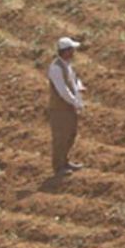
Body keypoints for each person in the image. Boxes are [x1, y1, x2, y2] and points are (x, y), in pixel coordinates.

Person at [47, 37, 86, 176]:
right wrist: (76, 102)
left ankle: (65, 161)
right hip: (59, 109)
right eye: (72, 49)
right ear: (66, 51)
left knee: (71, 134)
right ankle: (58, 166)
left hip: (69, 107)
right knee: (61, 137)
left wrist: (79, 97)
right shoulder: (56, 67)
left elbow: (74, 82)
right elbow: (62, 90)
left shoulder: (67, 65)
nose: (74, 52)